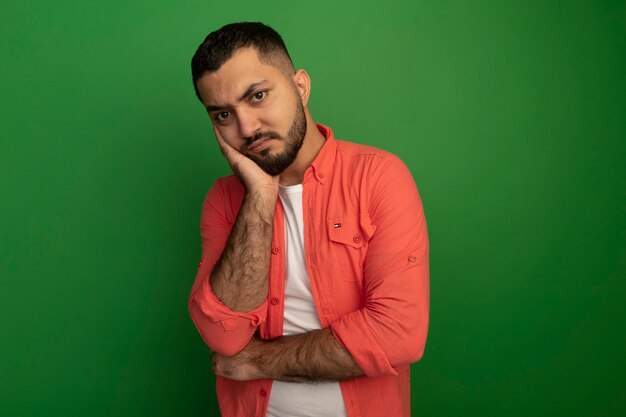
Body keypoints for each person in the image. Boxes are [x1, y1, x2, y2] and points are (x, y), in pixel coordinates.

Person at [188, 22, 430, 417]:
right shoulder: (224, 199)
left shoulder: (379, 178)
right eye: (223, 115)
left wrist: (257, 362)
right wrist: (262, 195)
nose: (247, 128)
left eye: (258, 96)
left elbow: (397, 335)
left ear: (300, 87)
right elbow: (223, 336)